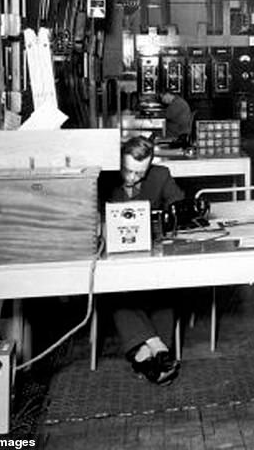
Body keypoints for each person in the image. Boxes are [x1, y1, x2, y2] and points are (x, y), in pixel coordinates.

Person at [105, 135, 184, 385]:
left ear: (149, 166)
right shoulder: (104, 179)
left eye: (140, 172)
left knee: (165, 288)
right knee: (115, 289)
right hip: (113, 260)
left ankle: (144, 356)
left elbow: (178, 207)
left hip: (152, 256)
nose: (132, 178)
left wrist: (173, 217)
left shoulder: (161, 175)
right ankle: (159, 348)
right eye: (127, 170)